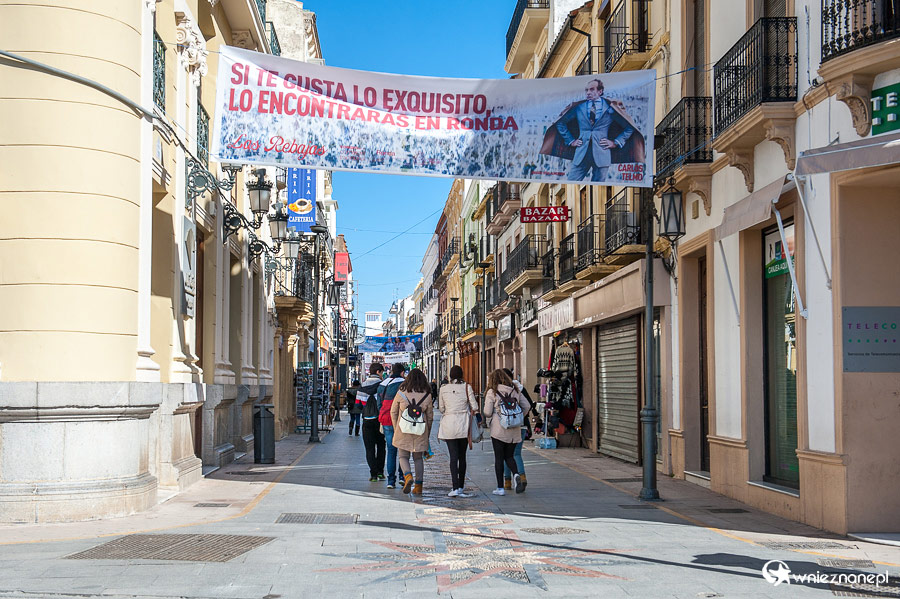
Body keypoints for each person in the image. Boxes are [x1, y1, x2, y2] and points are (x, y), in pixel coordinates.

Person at [540, 78, 642, 182]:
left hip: (602, 153)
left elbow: (629, 127)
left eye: (592, 89)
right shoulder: (579, 107)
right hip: (581, 153)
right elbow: (560, 122)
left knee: (599, 185)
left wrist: (615, 142)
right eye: (587, 90)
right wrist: (571, 141)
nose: (588, 92)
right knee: (571, 181)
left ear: (600, 91)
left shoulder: (610, 107)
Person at [483, 368, 530, 495]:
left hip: (499, 429)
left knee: (499, 458)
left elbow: (487, 412)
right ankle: (516, 475)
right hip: (514, 429)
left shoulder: (492, 392)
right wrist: (518, 417)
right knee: (510, 456)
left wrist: (496, 413)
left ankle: (500, 488)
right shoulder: (515, 390)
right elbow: (527, 406)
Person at [389, 368, 434, 495]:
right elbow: (430, 416)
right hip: (420, 429)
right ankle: (418, 486)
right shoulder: (427, 394)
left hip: (403, 429)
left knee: (403, 456)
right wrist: (427, 432)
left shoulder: (401, 392)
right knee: (418, 458)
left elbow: (393, 411)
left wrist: (396, 427)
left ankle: (408, 476)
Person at [437, 365, 478, 498]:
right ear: (461, 374)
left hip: (449, 424)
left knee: (453, 457)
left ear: (450, 375)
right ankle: (461, 487)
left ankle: (454, 487)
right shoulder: (467, 387)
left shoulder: (443, 389)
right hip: (464, 424)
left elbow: (441, 408)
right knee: (462, 457)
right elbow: (475, 406)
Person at [502, 368, 535, 491]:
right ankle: (522, 477)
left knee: (506, 454)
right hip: (521, 424)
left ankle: (507, 482)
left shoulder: (500, 390)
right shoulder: (519, 388)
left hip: (506, 426)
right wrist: (521, 417)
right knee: (516, 453)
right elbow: (529, 405)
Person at [377, 362, 405, 489]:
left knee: (391, 450)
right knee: (403, 450)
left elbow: (379, 405)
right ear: (402, 372)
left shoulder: (383, 384)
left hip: (387, 419)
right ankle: (403, 477)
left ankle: (390, 481)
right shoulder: (404, 384)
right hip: (402, 420)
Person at [359, 363, 386, 482]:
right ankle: (380, 472)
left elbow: (358, 404)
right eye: (382, 373)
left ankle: (373, 474)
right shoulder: (382, 385)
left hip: (367, 420)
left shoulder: (362, 385)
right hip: (379, 421)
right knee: (381, 446)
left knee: (369, 448)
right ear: (379, 372)